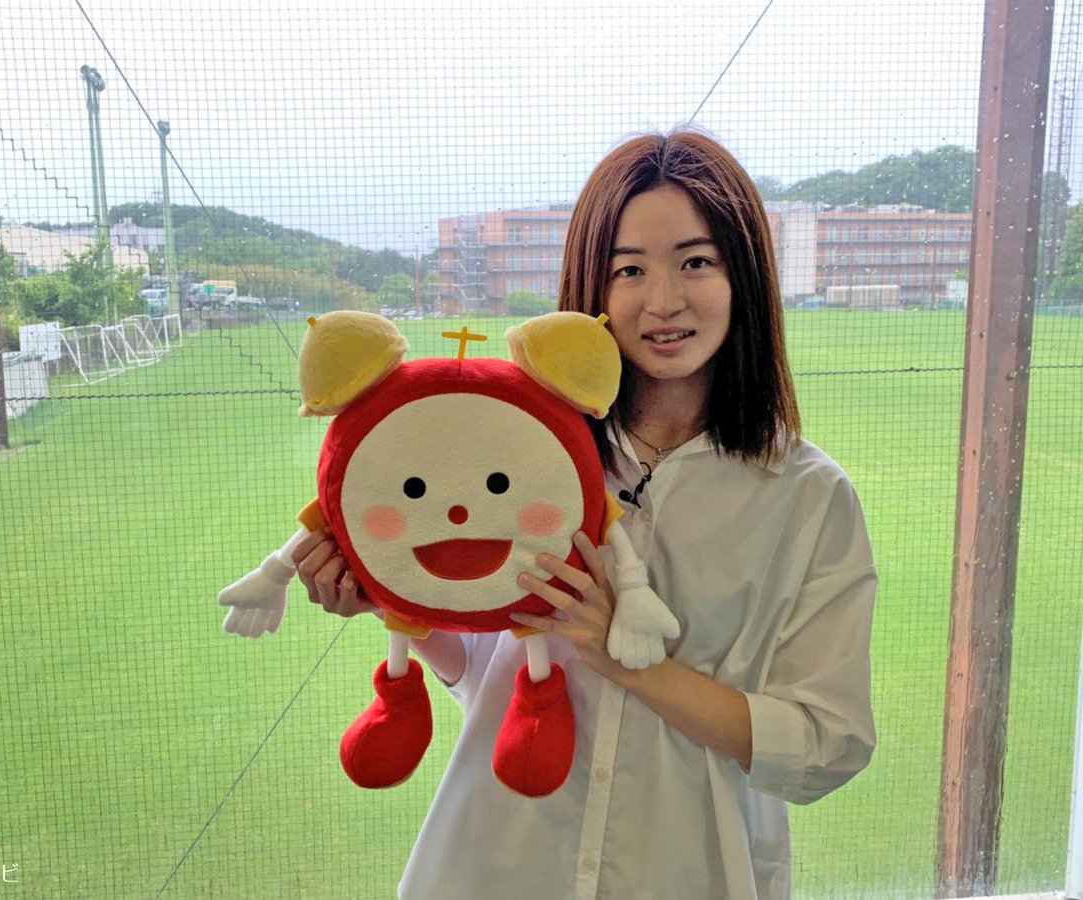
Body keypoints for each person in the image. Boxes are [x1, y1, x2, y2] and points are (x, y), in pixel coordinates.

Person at [291, 130, 876, 899]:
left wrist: (628, 660)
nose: (663, 300)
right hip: (497, 862)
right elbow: (486, 674)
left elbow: (826, 745)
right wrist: (392, 596)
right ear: (591, 288)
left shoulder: (807, 496)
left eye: (696, 262)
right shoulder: (523, 453)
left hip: (687, 871)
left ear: (745, 275)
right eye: (629, 269)